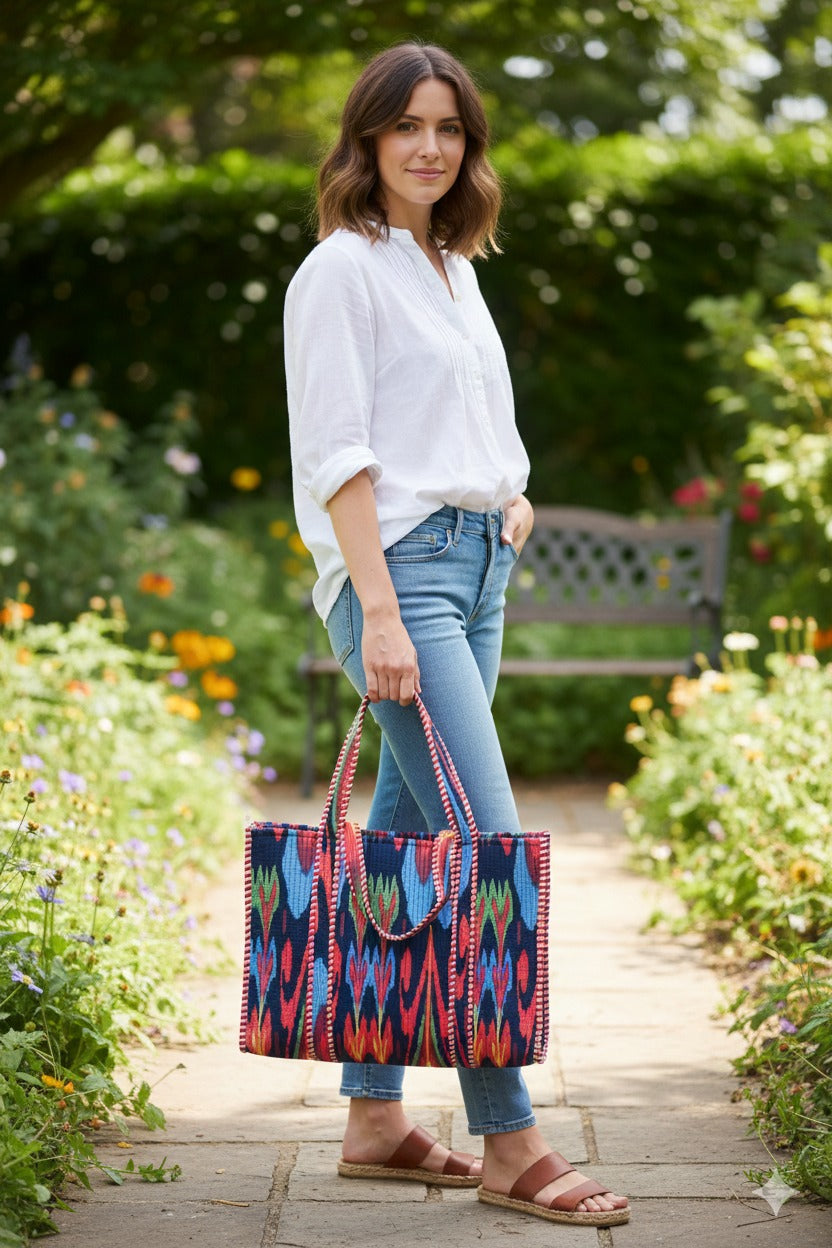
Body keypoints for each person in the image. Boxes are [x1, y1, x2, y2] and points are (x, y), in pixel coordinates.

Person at [284, 40, 629, 1229]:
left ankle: (375, 1118)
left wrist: (506, 491)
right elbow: (339, 453)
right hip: (404, 585)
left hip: (473, 566)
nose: (430, 146)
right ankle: (511, 1142)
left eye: (450, 128)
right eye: (407, 127)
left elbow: (458, 420)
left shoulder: (448, 265)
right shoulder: (341, 271)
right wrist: (377, 607)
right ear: (366, 141)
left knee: (405, 839)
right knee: (485, 851)